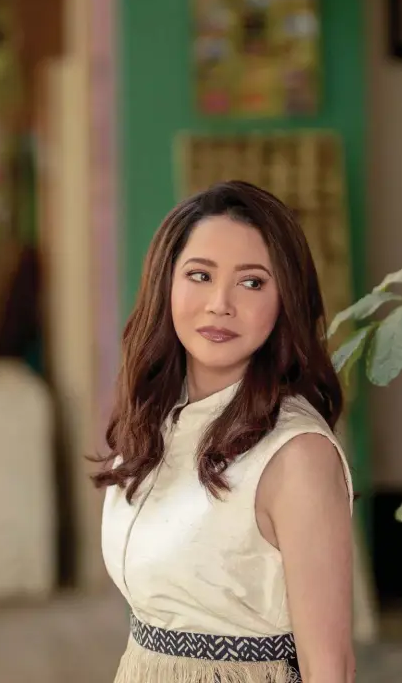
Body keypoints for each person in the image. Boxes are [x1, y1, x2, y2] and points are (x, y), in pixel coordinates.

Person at [92, 180, 355, 683]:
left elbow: (332, 667)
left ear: (285, 301)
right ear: (165, 283)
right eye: (199, 275)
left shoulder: (296, 455)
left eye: (252, 282)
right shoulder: (156, 420)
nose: (220, 303)